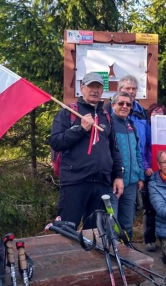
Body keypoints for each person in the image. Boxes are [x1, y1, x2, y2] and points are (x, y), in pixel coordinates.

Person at [50, 72, 124, 229]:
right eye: (91, 86)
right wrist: (80, 129)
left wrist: (118, 176)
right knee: (66, 230)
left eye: (98, 87)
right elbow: (56, 142)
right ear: (82, 88)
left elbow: (114, 149)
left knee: (97, 233)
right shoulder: (68, 112)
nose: (95, 90)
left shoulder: (106, 116)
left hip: (102, 183)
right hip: (75, 181)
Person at [110, 91, 144, 239]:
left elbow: (138, 151)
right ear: (113, 105)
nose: (124, 106)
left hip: (131, 182)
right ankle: (112, 253)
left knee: (127, 222)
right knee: (112, 221)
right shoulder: (108, 124)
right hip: (114, 182)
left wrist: (140, 175)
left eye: (128, 104)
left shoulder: (131, 125)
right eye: (120, 103)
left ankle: (128, 252)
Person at [142, 103, 166, 252]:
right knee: (149, 207)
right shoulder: (145, 127)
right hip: (150, 172)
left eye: (161, 112)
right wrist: (146, 167)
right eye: (154, 112)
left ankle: (165, 238)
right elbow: (142, 148)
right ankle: (149, 239)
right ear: (149, 114)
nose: (157, 114)